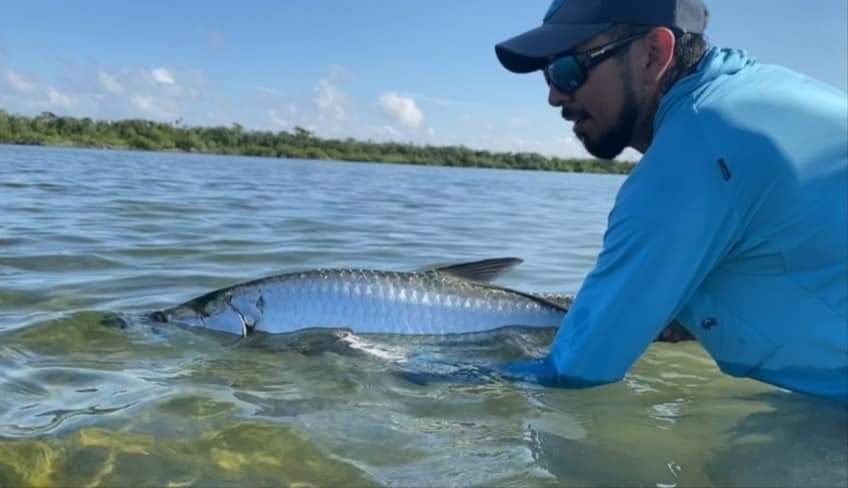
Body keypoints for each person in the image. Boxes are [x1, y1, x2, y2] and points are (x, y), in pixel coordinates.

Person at [495, 0, 848, 399]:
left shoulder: (694, 149)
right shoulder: (756, 97)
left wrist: (430, 377)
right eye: (548, 73)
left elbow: (574, 373)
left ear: (654, 53)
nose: (555, 96)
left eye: (569, 69)